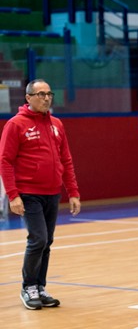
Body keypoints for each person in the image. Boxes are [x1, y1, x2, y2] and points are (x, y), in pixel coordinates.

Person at [0, 79, 81, 310]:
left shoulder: (57, 124)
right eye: (41, 94)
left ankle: (41, 287)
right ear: (28, 98)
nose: (46, 98)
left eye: (49, 94)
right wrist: (13, 195)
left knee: (47, 242)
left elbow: (66, 159)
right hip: (28, 193)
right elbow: (5, 161)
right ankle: (28, 287)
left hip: (52, 193)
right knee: (38, 239)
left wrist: (73, 191)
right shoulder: (15, 125)